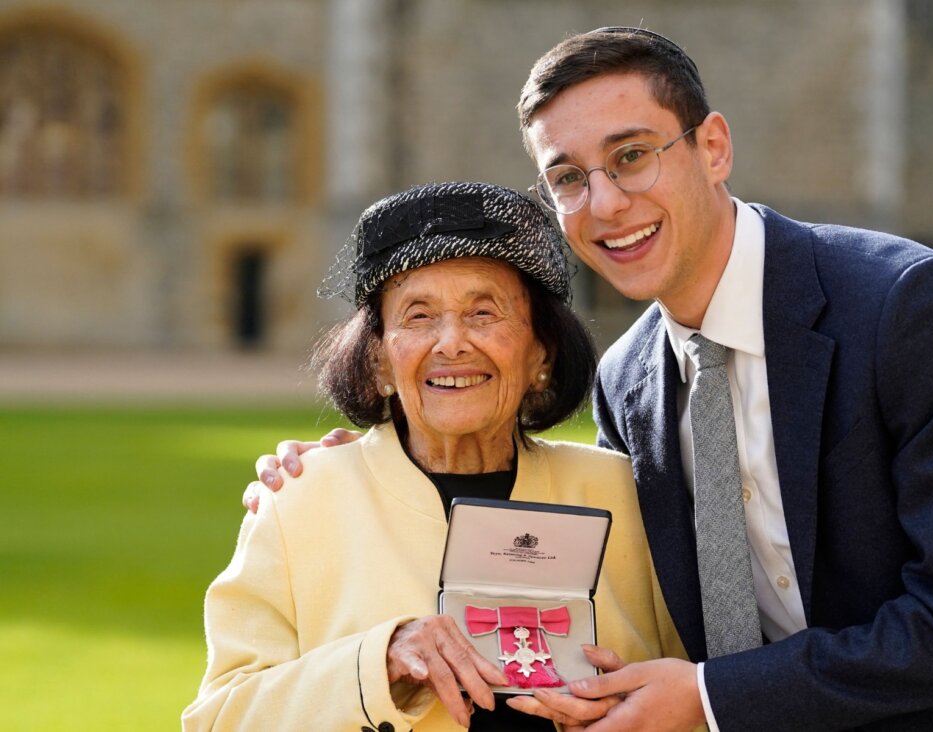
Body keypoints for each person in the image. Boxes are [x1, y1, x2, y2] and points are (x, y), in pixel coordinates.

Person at [250, 28, 933, 731]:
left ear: (712, 147)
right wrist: (361, 460)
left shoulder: (906, 306)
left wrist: (709, 701)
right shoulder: (631, 382)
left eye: (632, 156)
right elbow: (563, 545)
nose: (607, 202)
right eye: (569, 178)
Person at [185, 181, 686, 732]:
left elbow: (706, 694)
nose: (451, 342)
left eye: (484, 313)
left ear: (542, 352)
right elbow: (219, 719)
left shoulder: (631, 495)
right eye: (419, 316)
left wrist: (632, 710)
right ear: (378, 361)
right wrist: (379, 663)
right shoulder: (300, 501)